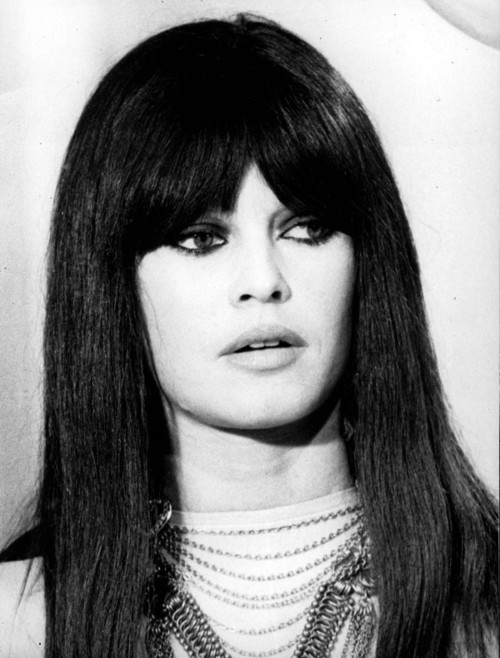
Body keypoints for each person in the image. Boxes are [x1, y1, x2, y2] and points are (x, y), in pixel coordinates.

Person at [0, 13, 497, 658]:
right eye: (201, 238)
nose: (264, 281)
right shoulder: (17, 622)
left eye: (308, 228)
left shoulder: (481, 608)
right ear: (109, 282)